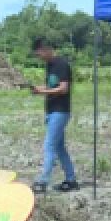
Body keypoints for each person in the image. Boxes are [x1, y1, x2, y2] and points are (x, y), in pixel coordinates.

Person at [30, 38, 78, 193]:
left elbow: (63, 88)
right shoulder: (49, 66)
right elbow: (52, 86)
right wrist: (39, 89)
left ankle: (43, 181)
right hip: (52, 111)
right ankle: (71, 179)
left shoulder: (61, 65)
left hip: (60, 111)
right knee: (59, 147)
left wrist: (43, 91)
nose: (40, 57)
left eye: (40, 54)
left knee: (49, 145)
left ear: (46, 49)